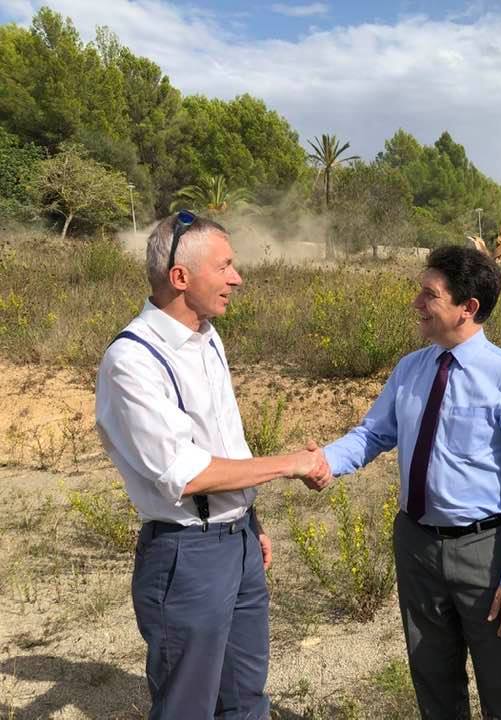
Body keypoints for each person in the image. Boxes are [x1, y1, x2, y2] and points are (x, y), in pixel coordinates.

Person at [95, 211, 330, 720]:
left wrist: (250, 519)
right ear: (180, 277)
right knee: (188, 706)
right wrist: (291, 463)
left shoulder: (207, 338)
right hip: (187, 556)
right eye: (224, 267)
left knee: (245, 698)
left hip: (237, 543)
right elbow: (187, 474)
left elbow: (226, 443)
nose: (237, 278)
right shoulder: (132, 361)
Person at [320, 245, 501, 720]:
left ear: (468, 307)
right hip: (416, 545)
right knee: (433, 679)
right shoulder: (411, 368)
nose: (417, 303)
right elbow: (373, 434)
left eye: (430, 294)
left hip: (485, 552)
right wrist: (323, 461)